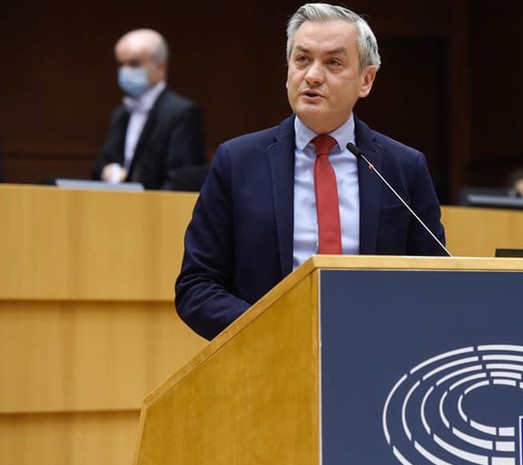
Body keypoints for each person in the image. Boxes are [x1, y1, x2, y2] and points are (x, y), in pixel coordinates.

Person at [175, 3, 447, 340]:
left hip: (377, 354)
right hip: (269, 354)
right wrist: (273, 330)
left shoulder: (403, 166)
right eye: (302, 59)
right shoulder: (237, 161)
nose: (313, 75)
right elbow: (197, 285)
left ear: (366, 80)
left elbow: (436, 283)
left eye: (333, 63)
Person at [91, 29, 205, 189]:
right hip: (118, 200)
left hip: (158, 203)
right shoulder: (121, 113)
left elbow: (181, 179)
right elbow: (101, 164)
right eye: (121, 64)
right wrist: (107, 171)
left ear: (161, 67)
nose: (125, 71)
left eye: (134, 64)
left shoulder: (183, 113)